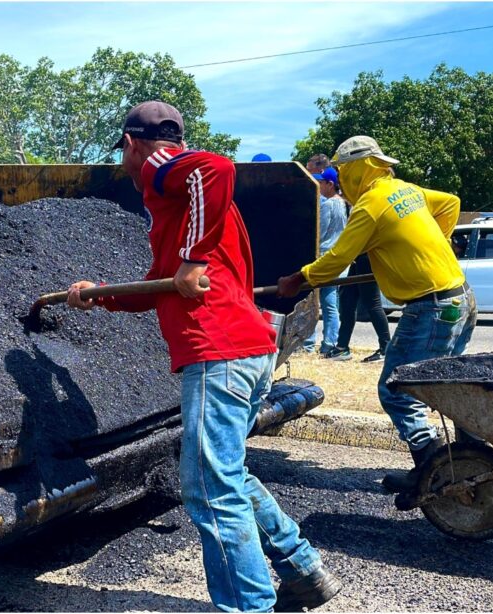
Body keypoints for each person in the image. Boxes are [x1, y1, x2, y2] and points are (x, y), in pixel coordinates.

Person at [68, 101, 340, 612]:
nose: (127, 169)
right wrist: (98, 293)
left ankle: (247, 607)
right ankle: (302, 569)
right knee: (226, 475)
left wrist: (191, 262)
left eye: (124, 156)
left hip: (220, 352)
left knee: (208, 489)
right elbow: (157, 288)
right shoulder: (192, 216)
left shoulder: (162, 170)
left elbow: (216, 167)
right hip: (251, 349)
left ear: (131, 143)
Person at [277, 136, 476, 494]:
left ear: (356, 169)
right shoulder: (406, 190)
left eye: (341, 170)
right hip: (460, 297)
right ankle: (468, 458)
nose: (340, 178)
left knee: (396, 390)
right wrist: (434, 245)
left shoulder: (371, 206)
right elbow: (450, 203)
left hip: (432, 307)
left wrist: (299, 279)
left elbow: (337, 260)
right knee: (443, 386)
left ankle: (432, 468)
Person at [302, 166, 347, 355]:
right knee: (331, 303)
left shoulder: (328, 204)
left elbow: (319, 232)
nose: (318, 185)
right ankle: (329, 343)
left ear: (330, 184)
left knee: (314, 301)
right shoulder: (344, 203)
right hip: (338, 256)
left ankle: (309, 344)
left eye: (321, 182)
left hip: (323, 255)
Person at [326, 251, 391, 363]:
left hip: (368, 256)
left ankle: (386, 349)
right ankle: (342, 348)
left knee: (373, 303)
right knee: (348, 300)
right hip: (359, 257)